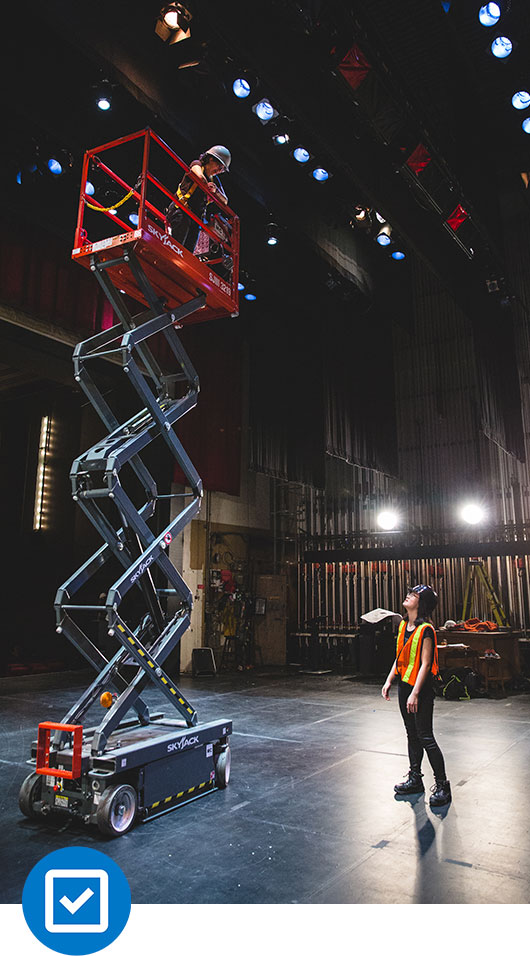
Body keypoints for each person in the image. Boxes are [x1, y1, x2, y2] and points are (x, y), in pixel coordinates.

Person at [381, 584, 451, 807]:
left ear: (422, 604)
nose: (408, 596)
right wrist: (389, 679)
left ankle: (442, 785)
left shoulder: (426, 630)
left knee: (425, 737)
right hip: (404, 686)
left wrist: (416, 693)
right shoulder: (403, 625)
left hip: (419, 690)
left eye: (414, 595)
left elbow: (426, 663)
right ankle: (415, 779)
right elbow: (400, 656)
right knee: (412, 734)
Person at [167, 145, 231, 252]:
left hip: (195, 219)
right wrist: (207, 186)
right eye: (219, 166)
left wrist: (215, 191)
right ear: (210, 159)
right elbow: (199, 177)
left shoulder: (215, 181)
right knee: (176, 249)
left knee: (187, 254)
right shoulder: (197, 164)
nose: (219, 170)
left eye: (222, 169)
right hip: (181, 211)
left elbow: (225, 200)